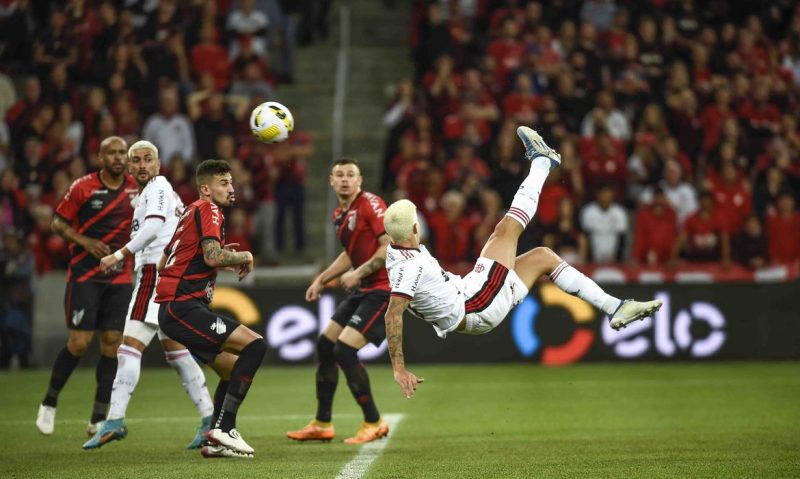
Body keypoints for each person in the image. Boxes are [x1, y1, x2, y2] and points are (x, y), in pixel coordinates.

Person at [382, 128, 663, 398]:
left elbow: (381, 267)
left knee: (543, 257)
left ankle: (615, 307)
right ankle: (543, 161)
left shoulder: (395, 250)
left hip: (470, 294)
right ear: (416, 229)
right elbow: (393, 314)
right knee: (506, 229)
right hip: (475, 303)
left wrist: (358, 273)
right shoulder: (409, 267)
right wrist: (398, 369)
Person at [82, 141, 214, 450]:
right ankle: (209, 419)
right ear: (129, 168)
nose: (142, 165)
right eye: (136, 161)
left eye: (148, 159)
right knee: (176, 353)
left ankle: (114, 420)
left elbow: (154, 226)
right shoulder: (156, 193)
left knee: (128, 348)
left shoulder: (157, 187)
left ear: (158, 164)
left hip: (155, 277)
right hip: (169, 276)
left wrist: (118, 255)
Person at [155, 159, 265, 459]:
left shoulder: (190, 211)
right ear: (206, 188)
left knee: (232, 371)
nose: (231, 188)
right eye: (224, 183)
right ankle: (225, 428)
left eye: (231, 182)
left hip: (175, 309)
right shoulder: (208, 209)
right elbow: (212, 257)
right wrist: (244, 254)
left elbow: (165, 262)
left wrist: (220, 257)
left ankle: (215, 442)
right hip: (184, 307)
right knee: (255, 346)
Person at [36, 136, 137, 436]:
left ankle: (97, 418)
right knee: (79, 343)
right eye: (112, 153)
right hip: (85, 276)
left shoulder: (137, 187)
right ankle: (49, 402)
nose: (119, 157)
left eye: (122, 153)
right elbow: (57, 223)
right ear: (100, 156)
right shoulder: (82, 186)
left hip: (119, 277)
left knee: (111, 343)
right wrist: (85, 241)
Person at [287, 158, 391, 445]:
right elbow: (349, 253)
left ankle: (374, 421)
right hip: (364, 289)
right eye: (339, 175)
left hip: (383, 289)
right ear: (331, 182)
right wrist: (322, 278)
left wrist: (357, 273)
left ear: (360, 181)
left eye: (350, 175)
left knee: (344, 350)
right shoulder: (339, 213)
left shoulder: (370, 203)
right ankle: (322, 423)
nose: (345, 179)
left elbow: (388, 246)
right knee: (325, 345)